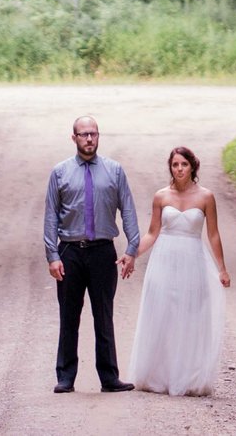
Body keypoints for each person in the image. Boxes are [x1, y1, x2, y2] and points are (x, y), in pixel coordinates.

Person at [41, 115, 141, 393]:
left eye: (93, 134)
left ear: (99, 136)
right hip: (70, 251)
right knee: (69, 316)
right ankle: (65, 376)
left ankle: (109, 378)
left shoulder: (115, 171)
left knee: (104, 315)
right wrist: (52, 255)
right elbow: (51, 216)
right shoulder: (60, 172)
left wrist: (132, 248)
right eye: (83, 134)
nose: (89, 139)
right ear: (73, 138)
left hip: (102, 252)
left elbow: (128, 210)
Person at [126, 145, 230, 396]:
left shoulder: (206, 197)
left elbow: (213, 235)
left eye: (184, 164)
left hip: (193, 258)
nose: (180, 169)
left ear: (192, 166)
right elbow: (152, 233)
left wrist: (222, 269)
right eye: (175, 165)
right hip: (164, 258)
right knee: (162, 312)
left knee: (190, 315)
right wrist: (131, 255)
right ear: (170, 167)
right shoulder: (161, 196)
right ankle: (157, 374)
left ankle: (187, 376)